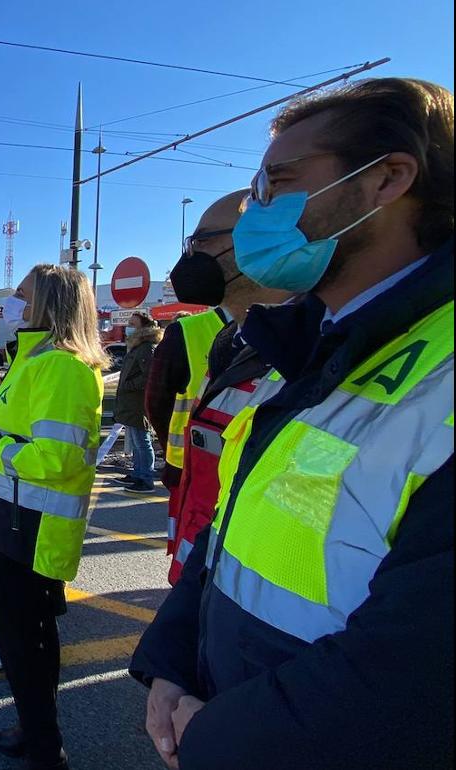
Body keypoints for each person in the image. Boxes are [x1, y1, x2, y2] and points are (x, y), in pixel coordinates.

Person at [131, 77, 453, 770]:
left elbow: (417, 678)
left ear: (388, 179)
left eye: (277, 184)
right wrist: (172, 660)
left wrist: (218, 737)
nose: (257, 211)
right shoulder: (305, 343)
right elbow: (237, 526)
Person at [0, 264, 107, 770]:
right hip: (16, 517)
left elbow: (57, 458)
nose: (12, 303)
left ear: (47, 302)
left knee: (25, 640)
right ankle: (35, 728)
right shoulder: (38, 359)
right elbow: (23, 424)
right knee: (25, 637)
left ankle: (45, 748)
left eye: (21, 295)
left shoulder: (62, 366)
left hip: (33, 526)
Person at [161, 189, 292, 583]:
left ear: (258, 242)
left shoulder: (297, 353)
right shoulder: (232, 344)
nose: (189, 256)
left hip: (241, 586)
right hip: (203, 574)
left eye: (201, 241)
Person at [145, 291, 228, 542]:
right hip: (190, 470)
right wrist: (172, 450)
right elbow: (156, 404)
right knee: (190, 547)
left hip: (240, 473)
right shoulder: (186, 332)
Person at [114, 312, 162, 493]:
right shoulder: (138, 346)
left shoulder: (146, 348)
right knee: (137, 441)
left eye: (132, 324)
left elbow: (149, 375)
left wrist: (129, 385)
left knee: (142, 441)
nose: (128, 327)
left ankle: (146, 478)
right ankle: (138, 473)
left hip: (138, 403)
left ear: (143, 327)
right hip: (132, 402)